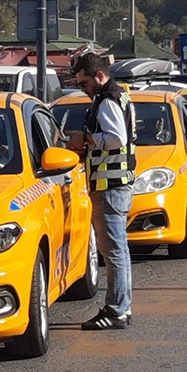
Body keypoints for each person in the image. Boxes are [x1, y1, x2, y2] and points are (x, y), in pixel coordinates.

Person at [68, 53, 136, 330]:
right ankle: (122, 306)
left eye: (84, 83)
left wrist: (86, 139)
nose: (82, 89)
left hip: (110, 184)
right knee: (119, 250)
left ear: (99, 76)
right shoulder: (118, 96)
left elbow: (116, 138)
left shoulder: (107, 100)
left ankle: (116, 310)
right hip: (117, 182)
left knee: (114, 252)